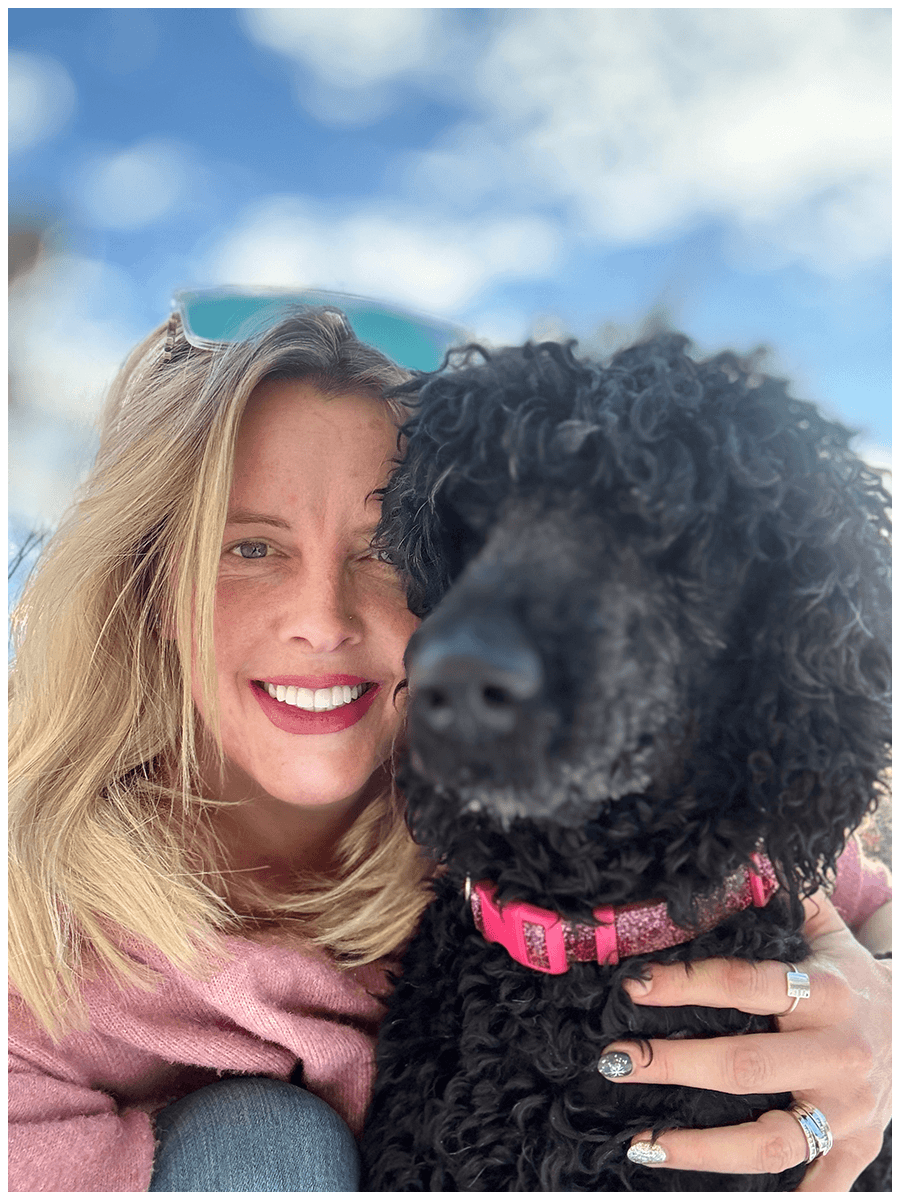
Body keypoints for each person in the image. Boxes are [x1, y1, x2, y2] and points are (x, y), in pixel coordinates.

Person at [8, 296, 891, 1192]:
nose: (322, 620)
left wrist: (879, 1011)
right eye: (249, 548)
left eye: (383, 548)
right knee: (262, 1147)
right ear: (152, 586)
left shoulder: (555, 779)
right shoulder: (36, 953)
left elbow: (862, 900)